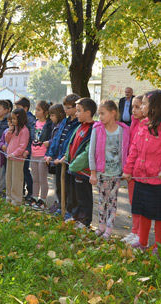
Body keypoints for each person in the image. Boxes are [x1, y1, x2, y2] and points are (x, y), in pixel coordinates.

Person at [123, 90, 161, 253]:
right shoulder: (143, 124)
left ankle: (158, 245)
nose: (141, 107)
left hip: (157, 180)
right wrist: (128, 169)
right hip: (140, 177)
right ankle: (142, 241)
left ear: (154, 106)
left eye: (144, 103)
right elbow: (134, 149)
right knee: (142, 211)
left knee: (157, 214)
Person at [89, 100, 130, 239]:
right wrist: (93, 172)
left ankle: (109, 229)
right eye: (99, 113)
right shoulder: (97, 129)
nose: (99, 116)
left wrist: (125, 170)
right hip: (102, 173)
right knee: (102, 201)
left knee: (112, 201)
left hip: (117, 174)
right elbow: (92, 152)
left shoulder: (123, 130)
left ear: (113, 113)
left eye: (102, 113)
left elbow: (126, 151)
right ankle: (100, 227)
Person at [61, 97, 98, 228]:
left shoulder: (93, 128)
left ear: (88, 113)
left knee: (84, 197)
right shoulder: (80, 126)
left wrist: (75, 164)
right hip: (73, 168)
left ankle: (85, 221)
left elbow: (89, 151)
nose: (76, 114)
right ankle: (75, 216)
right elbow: (71, 143)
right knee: (74, 195)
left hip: (82, 170)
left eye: (79, 111)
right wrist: (66, 157)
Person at [45, 94, 81, 218]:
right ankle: (61, 207)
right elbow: (56, 139)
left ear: (76, 107)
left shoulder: (78, 124)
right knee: (60, 186)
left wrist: (65, 157)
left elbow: (72, 144)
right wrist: (51, 154)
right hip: (58, 160)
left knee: (70, 189)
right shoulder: (64, 121)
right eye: (64, 107)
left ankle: (69, 211)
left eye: (68, 107)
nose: (65, 110)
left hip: (68, 161)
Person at [121, 95, 145, 245]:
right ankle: (135, 230)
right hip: (132, 170)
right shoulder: (134, 123)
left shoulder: (147, 125)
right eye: (132, 107)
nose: (134, 110)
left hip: (142, 172)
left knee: (141, 203)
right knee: (133, 202)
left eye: (137, 107)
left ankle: (141, 233)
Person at [30, 100, 53, 211]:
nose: (36, 111)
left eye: (39, 110)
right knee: (35, 178)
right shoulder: (34, 123)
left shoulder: (49, 125)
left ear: (45, 112)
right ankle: (34, 197)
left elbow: (50, 139)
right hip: (33, 154)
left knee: (42, 178)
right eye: (36, 109)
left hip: (42, 155)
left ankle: (43, 200)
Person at [4, 108, 30, 205]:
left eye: (15, 119)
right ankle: (9, 196)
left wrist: (14, 154)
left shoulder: (24, 130)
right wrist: (9, 131)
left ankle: (17, 199)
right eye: (12, 119)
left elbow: (22, 146)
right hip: (10, 157)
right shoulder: (14, 129)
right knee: (9, 178)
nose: (13, 121)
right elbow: (7, 140)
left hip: (17, 158)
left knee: (16, 179)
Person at [45, 103, 66, 214]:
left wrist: (49, 143)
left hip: (59, 158)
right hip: (54, 158)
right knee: (56, 183)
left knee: (59, 184)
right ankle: (57, 202)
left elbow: (57, 141)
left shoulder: (62, 126)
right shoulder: (54, 126)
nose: (51, 118)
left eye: (52, 115)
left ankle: (60, 204)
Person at [15, 97, 35, 204]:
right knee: (19, 170)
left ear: (26, 108)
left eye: (19, 108)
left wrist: (27, 149)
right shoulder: (20, 118)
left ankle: (31, 191)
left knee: (25, 170)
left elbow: (31, 136)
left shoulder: (30, 119)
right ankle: (20, 190)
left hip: (26, 150)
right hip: (19, 149)